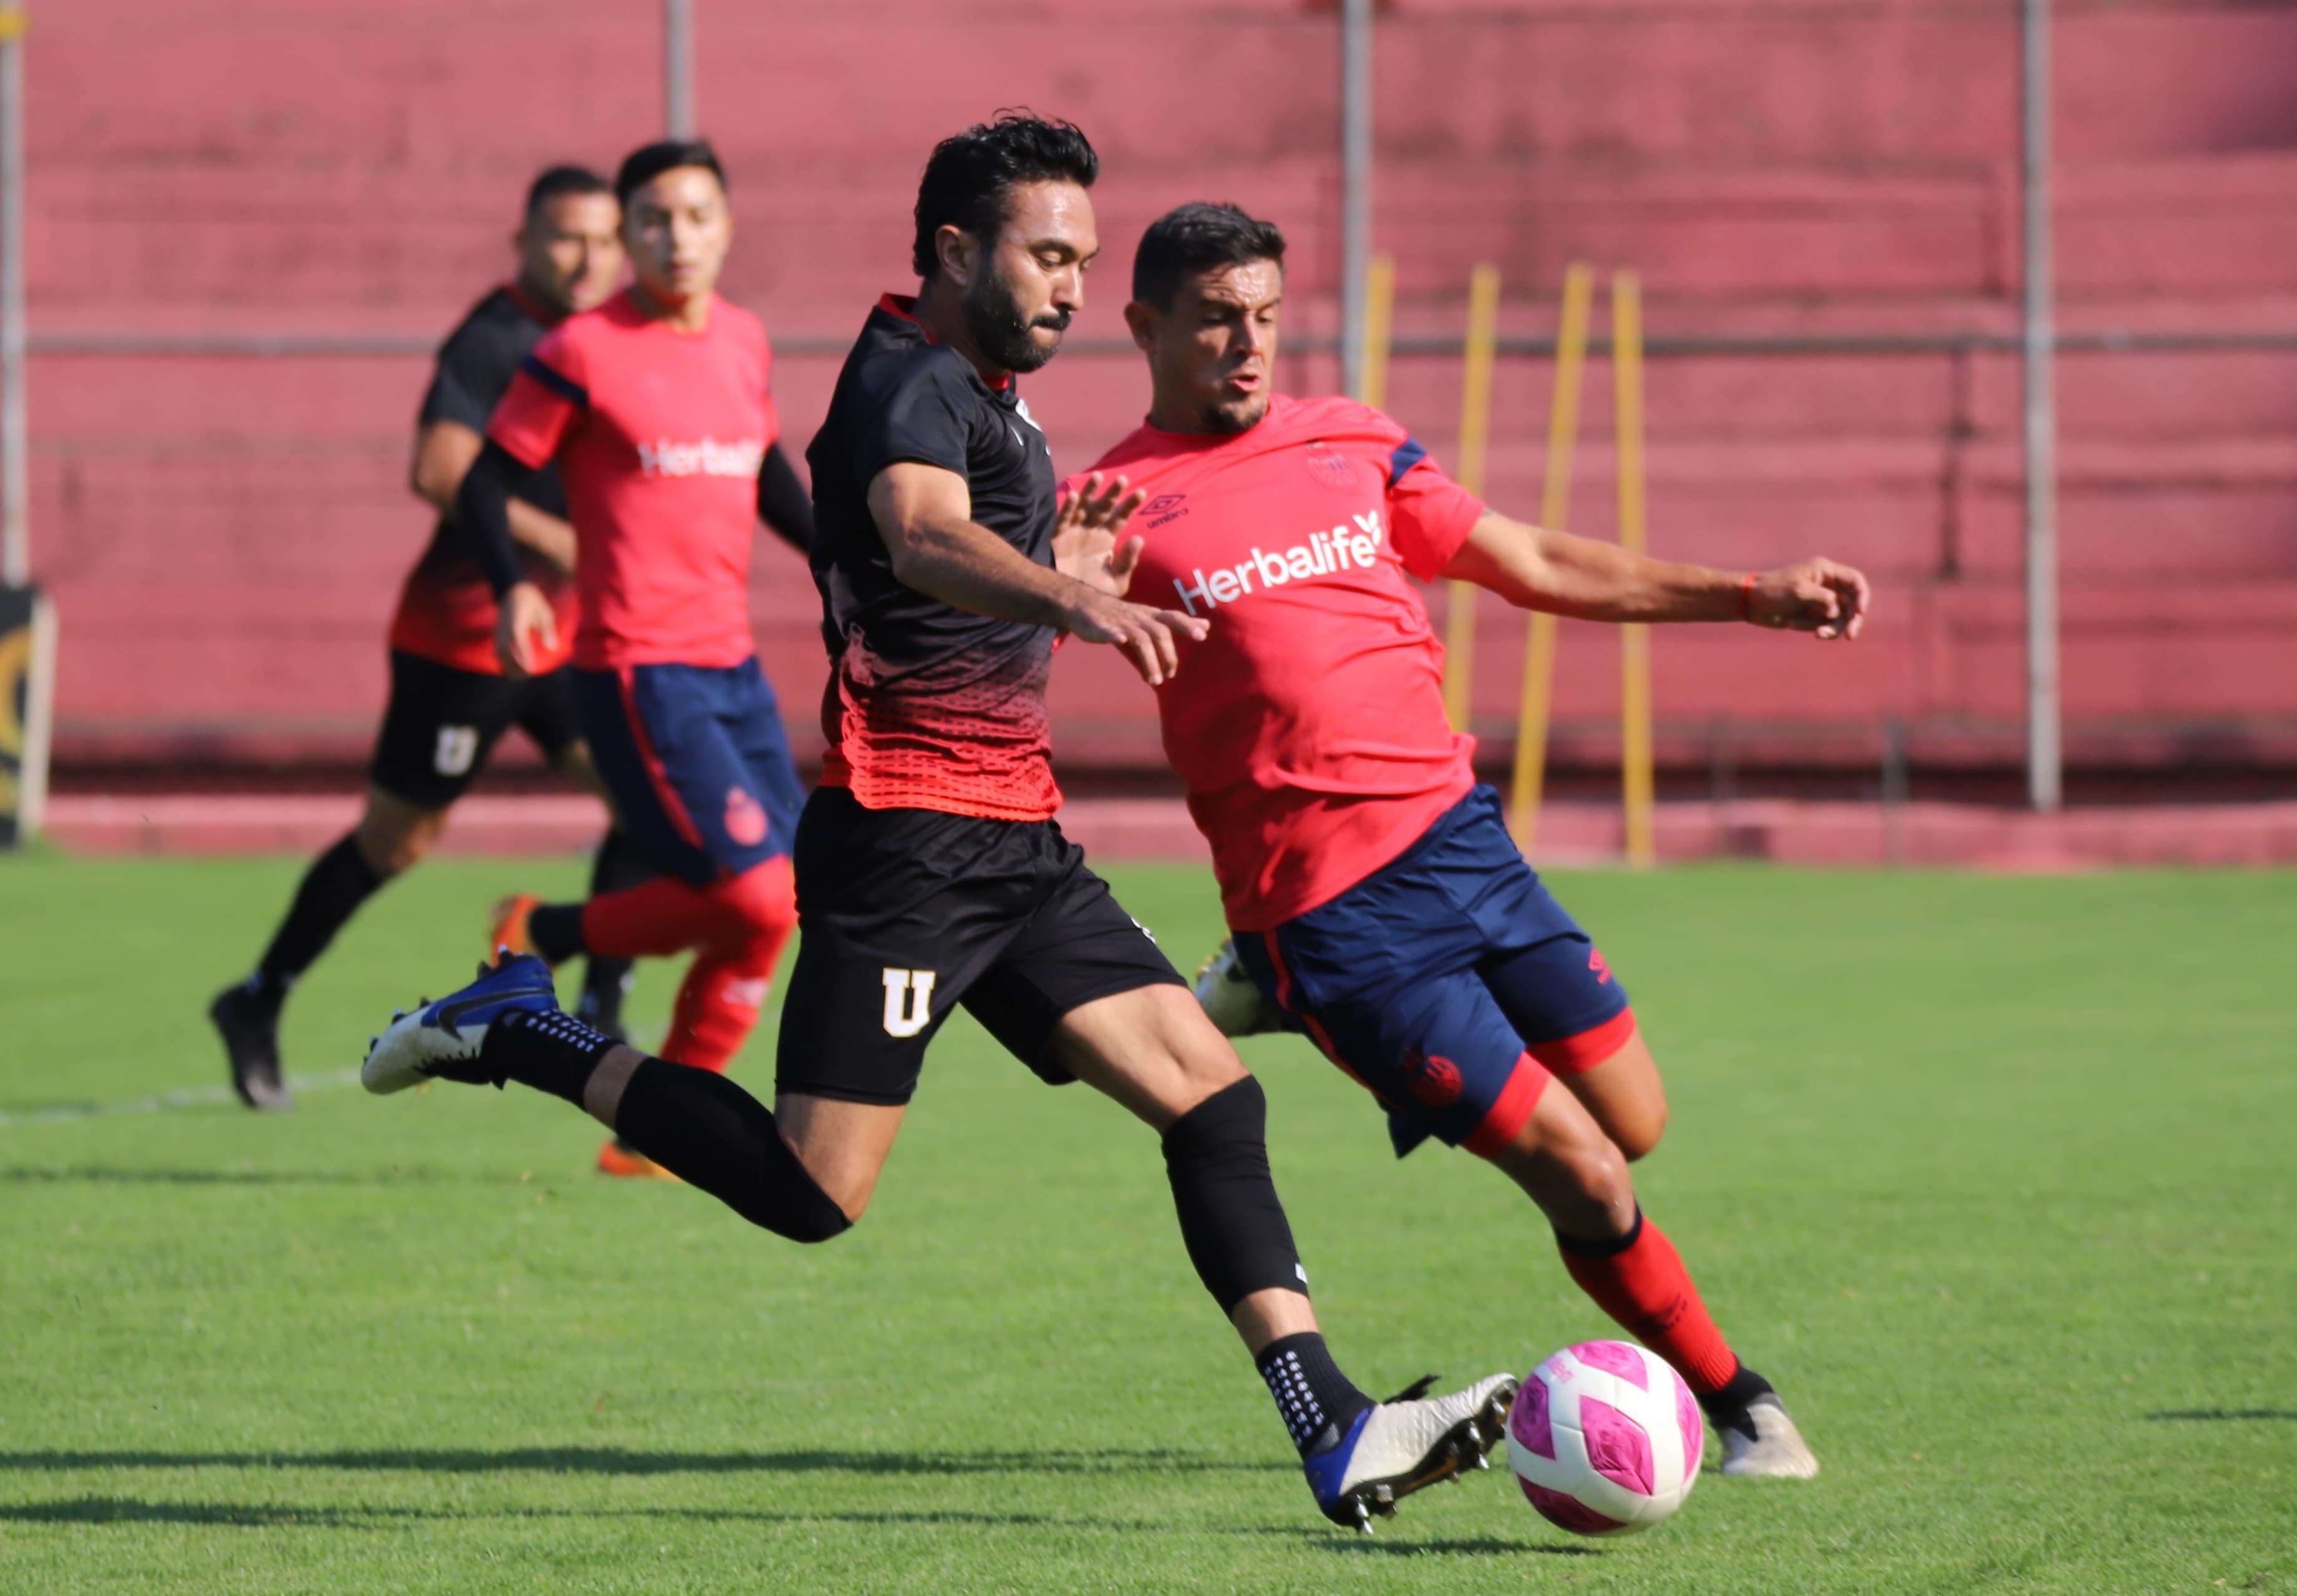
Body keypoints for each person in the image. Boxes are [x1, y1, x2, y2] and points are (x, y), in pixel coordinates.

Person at [361, 115, 1510, 1532]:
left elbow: (948, 572)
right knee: (810, 1193)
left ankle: (1330, 1421)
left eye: (1084, 260)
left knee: (1214, 1094)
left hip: (1015, 841)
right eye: (1049, 255)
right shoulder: (906, 377)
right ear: (956, 249)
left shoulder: (985, 382)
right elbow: (916, 535)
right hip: (903, 841)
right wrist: (1071, 590)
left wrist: (1056, 563)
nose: (1075, 287)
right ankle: (519, 1028)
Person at [1063, 202, 1867, 1484]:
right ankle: (1741, 1403)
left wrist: (1748, 595)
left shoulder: (1352, 440)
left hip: (1465, 845)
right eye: (1216, 318)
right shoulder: (1111, 502)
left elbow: (1532, 558)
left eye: (1265, 315)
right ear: (1146, 325)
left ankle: (1260, 988)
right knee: (1587, 1175)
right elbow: (985, 657)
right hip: (1337, 915)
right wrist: (1057, 585)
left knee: (1637, 1121)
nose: (1247, 343)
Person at [209, 165, 640, 1113]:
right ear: (523, 240)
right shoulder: (496, 337)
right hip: (464, 639)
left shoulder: (606, 338)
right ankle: (256, 996)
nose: (588, 257)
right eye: (567, 236)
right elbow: (438, 467)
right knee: (397, 843)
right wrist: (560, 539)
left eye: (605, 239)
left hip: (562, 639)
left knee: (644, 802)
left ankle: (603, 1003)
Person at [451, 139, 817, 1178]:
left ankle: (650, 1128)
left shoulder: (743, 340)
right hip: (633, 669)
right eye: (652, 221)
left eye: (697, 217)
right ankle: (549, 933)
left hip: (731, 667)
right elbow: (485, 476)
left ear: (727, 228)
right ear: (627, 236)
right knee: (754, 897)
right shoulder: (581, 350)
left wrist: (844, 559)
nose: (677, 238)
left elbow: (765, 473)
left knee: (786, 898)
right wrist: (518, 581)